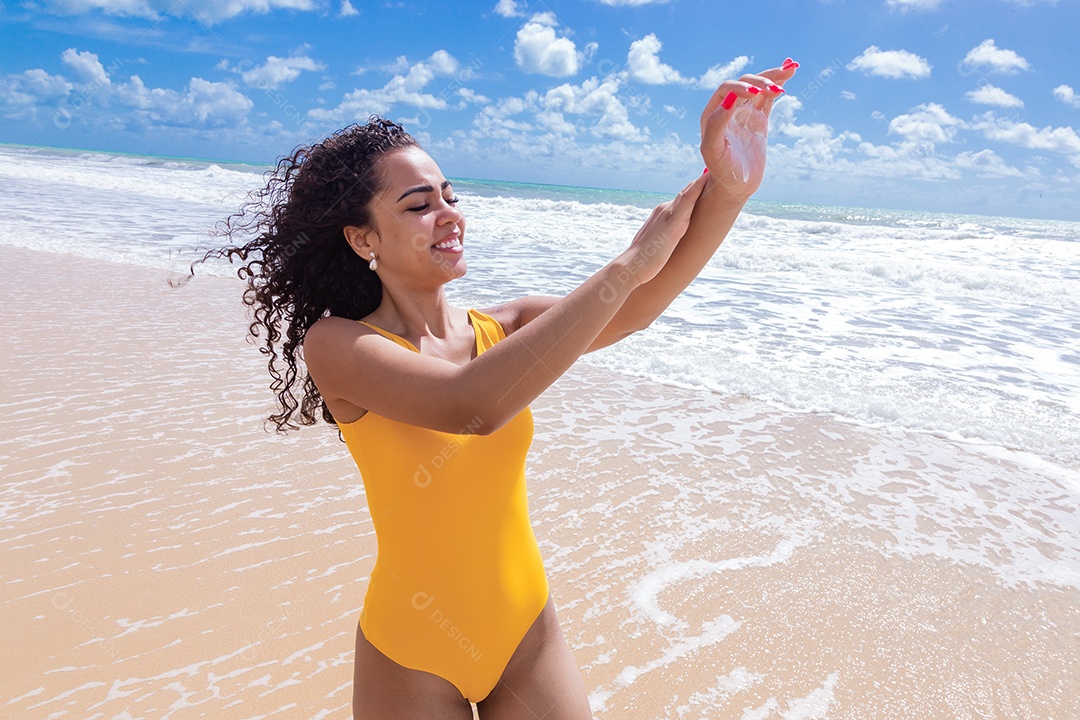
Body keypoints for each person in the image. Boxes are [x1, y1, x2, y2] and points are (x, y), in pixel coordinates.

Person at [194, 59, 797, 720]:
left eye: (449, 195)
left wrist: (730, 186)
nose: (448, 214)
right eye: (419, 205)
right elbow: (470, 406)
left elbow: (640, 304)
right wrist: (625, 265)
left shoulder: (505, 328)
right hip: (411, 653)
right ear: (363, 238)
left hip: (527, 637)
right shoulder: (339, 345)